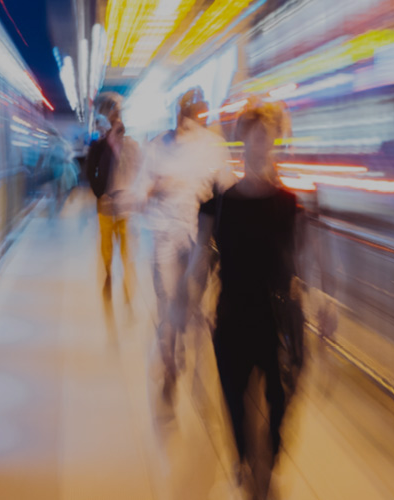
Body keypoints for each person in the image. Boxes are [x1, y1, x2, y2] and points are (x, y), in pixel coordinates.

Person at [207, 102, 304, 500]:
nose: (264, 144)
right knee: (235, 400)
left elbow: (302, 262)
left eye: (270, 137)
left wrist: (320, 301)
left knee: (281, 397)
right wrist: (186, 303)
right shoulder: (222, 204)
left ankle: (268, 454)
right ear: (243, 140)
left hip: (276, 318)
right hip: (232, 314)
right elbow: (202, 260)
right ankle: (246, 459)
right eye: (257, 135)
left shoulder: (288, 204)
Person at [135, 88, 235, 426]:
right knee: (169, 304)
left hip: (198, 240)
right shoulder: (157, 147)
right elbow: (140, 192)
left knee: (187, 304)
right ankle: (170, 364)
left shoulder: (213, 146)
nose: (193, 119)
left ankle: (178, 345)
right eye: (189, 112)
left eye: (198, 113)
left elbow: (227, 189)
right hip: (165, 236)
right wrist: (152, 189)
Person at [83, 92, 139, 304]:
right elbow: (90, 172)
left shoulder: (131, 145)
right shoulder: (99, 146)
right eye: (113, 113)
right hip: (106, 204)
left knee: (126, 246)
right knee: (107, 245)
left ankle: (126, 282)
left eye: (118, 113)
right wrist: (101, 193)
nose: (116, 117)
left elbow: (139, 170)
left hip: (125, 204)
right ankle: (107, 273)